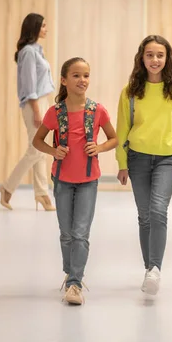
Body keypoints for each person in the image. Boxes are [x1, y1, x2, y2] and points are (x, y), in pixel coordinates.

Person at [33, 57, 118, 305]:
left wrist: (100, 146)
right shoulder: (55, 112)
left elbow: (113, 138)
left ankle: (75, 284)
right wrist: (53, 151)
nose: (83, 80)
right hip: (62, 180)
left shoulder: (97, 110)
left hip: (88, 181)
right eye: (76, 75)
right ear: (64, 80)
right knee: (66, 234)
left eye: (86, 76)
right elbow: (37, 141)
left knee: (81, 233)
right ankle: (70, 273)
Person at [115, 35, 172, 296]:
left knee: (158, 210)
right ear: (142, 58)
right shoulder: (130, 91)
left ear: (167, 58)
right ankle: (150, 269)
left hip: (167, 159)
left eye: (160, 55)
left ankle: (155, 269)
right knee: (145, 216)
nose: (155, 60)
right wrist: (122, 163)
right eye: (150, 55)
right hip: (137, 158)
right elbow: (122, 129)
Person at [0, 13, 56, 211]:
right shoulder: (29, 52)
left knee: (40, 151)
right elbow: (30, 86)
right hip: (34, 103)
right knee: (36, 149)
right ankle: (8, 187)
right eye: (44, 26)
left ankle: (42, 194)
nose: (47, 29)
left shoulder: (37, 50)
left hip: (42, 101)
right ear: (35, 28)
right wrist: (37, 111)